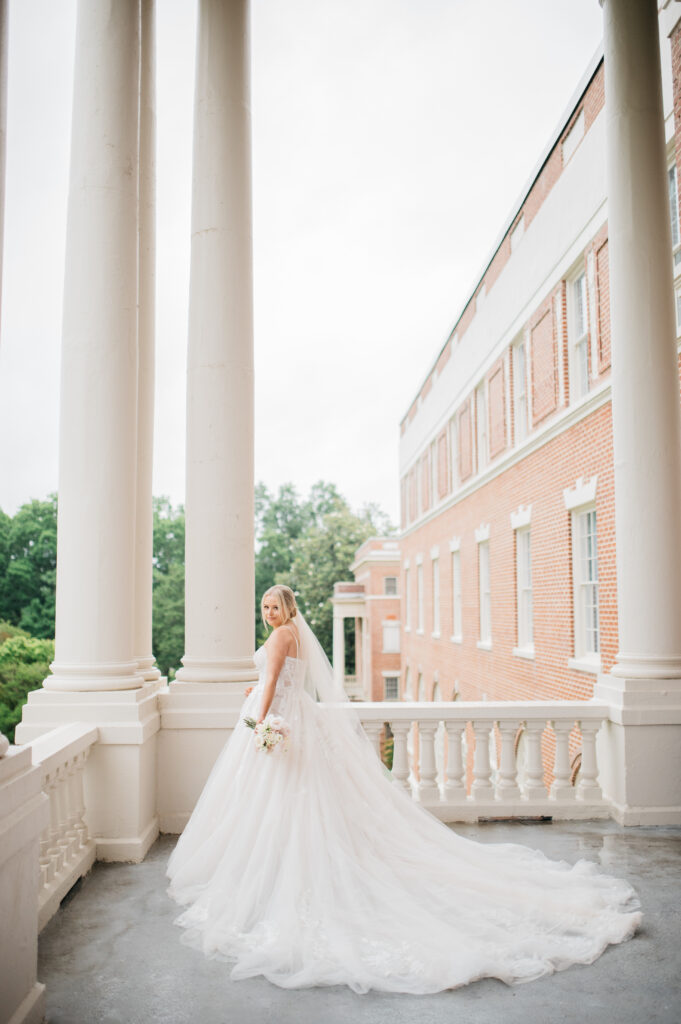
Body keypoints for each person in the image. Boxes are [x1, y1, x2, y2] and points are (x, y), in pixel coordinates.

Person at [167, 584, 641, 995]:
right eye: (265, 607)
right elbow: (286, 681)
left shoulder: (277, 638)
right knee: (301, 801)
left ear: (287, 609)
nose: (268, 613)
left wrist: (256, 719)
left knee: (282, 800)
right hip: (300, 721)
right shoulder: (297, 638)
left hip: (279, 722)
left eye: (274, 606)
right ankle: (294, 865)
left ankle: (281, 876)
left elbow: (272, 682)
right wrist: (263, 697)